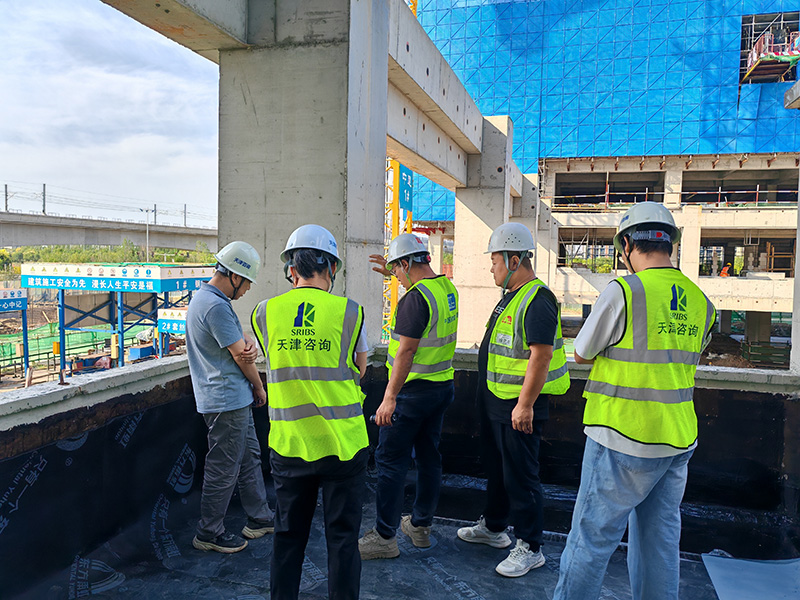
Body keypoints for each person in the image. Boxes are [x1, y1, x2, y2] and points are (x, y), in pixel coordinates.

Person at [554, 202, 716, 600]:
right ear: (670, 243)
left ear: (626, 244)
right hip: (677, 440)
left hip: (621, 436)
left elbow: (582, 352)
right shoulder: (702, 303)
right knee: (660, 544)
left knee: (590, 541)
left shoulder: (624, 291)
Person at [251, 224, 369, 600]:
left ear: (291, 269)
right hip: (343, 446)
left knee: (287, 537)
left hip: (290, 445)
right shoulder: (350, 312)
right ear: (331, 268)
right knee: (343, 541)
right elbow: (360, 369)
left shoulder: (265, 312)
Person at [456, 222, 569, 578]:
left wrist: (525, 405)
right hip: (497, 401)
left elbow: (541, 355)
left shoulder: (538, 299)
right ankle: (494, 527)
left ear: (514, 260)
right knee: (497, 469)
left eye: (495, 261)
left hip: (518, 406)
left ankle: (531, 547)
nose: (491, 268)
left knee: (521, 476)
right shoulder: (511, 296)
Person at [358, 233, 459, 559]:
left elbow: (406, 352)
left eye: (398, 271)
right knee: (429, 458)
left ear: (405, 263)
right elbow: (418, 288)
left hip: (410, 394)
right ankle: (420, 526)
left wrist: (389, 398)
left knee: (390, 461)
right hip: (441, 388)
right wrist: (394, 271)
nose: (397, 279)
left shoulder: (414, 300)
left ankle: (385, 537)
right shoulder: (446, 289)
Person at [186, 240, 275, 554]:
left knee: (249, 457)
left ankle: (260, 518)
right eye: (247, 281)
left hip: (231, 398)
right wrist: (259, 387)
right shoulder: (215, 306)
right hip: (226, 400)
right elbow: (241, 356)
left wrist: (247, 343)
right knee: (224, 467)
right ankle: (209, 533)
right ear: (235, 276)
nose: (248, 288)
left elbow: (241, 343)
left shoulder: (209, 300)